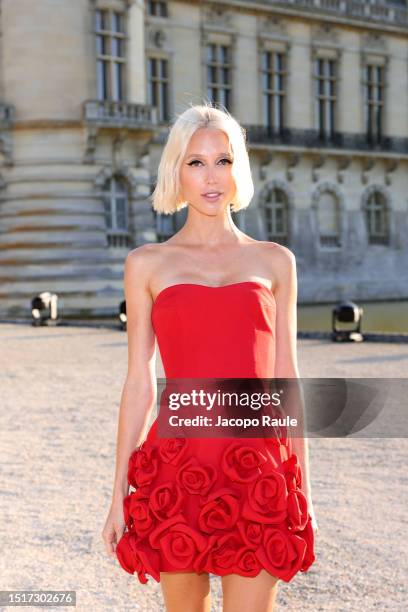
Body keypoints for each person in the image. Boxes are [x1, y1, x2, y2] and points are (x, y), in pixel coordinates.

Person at [102, 102, 318, 612]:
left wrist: (304, 488)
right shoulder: (146, 264)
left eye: (222, 160)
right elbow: (139, 382)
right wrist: (116, 495)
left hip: (259, 469)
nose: (210, 176)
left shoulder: (275, 261)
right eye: (195, 162)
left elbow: (288, 377)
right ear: (176, 171)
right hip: (179, 468)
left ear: (237, 168)